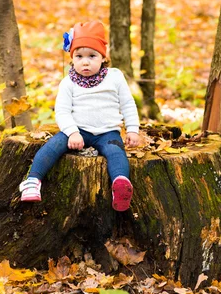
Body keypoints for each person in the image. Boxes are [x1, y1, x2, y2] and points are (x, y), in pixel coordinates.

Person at [19, 20, 141, 211]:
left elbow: (128, 104)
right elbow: (62, 111)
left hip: (108, 132)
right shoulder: (68, 83)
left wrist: (133, 129)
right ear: (72, 58)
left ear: (103, 57)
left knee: (116, 152)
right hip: (78, 130)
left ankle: (120, 185)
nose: (85, 61)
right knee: (53, 146)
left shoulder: (115, 77)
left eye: (92, 56)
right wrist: (72, 132)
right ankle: (32, 181)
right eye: (79, 56)